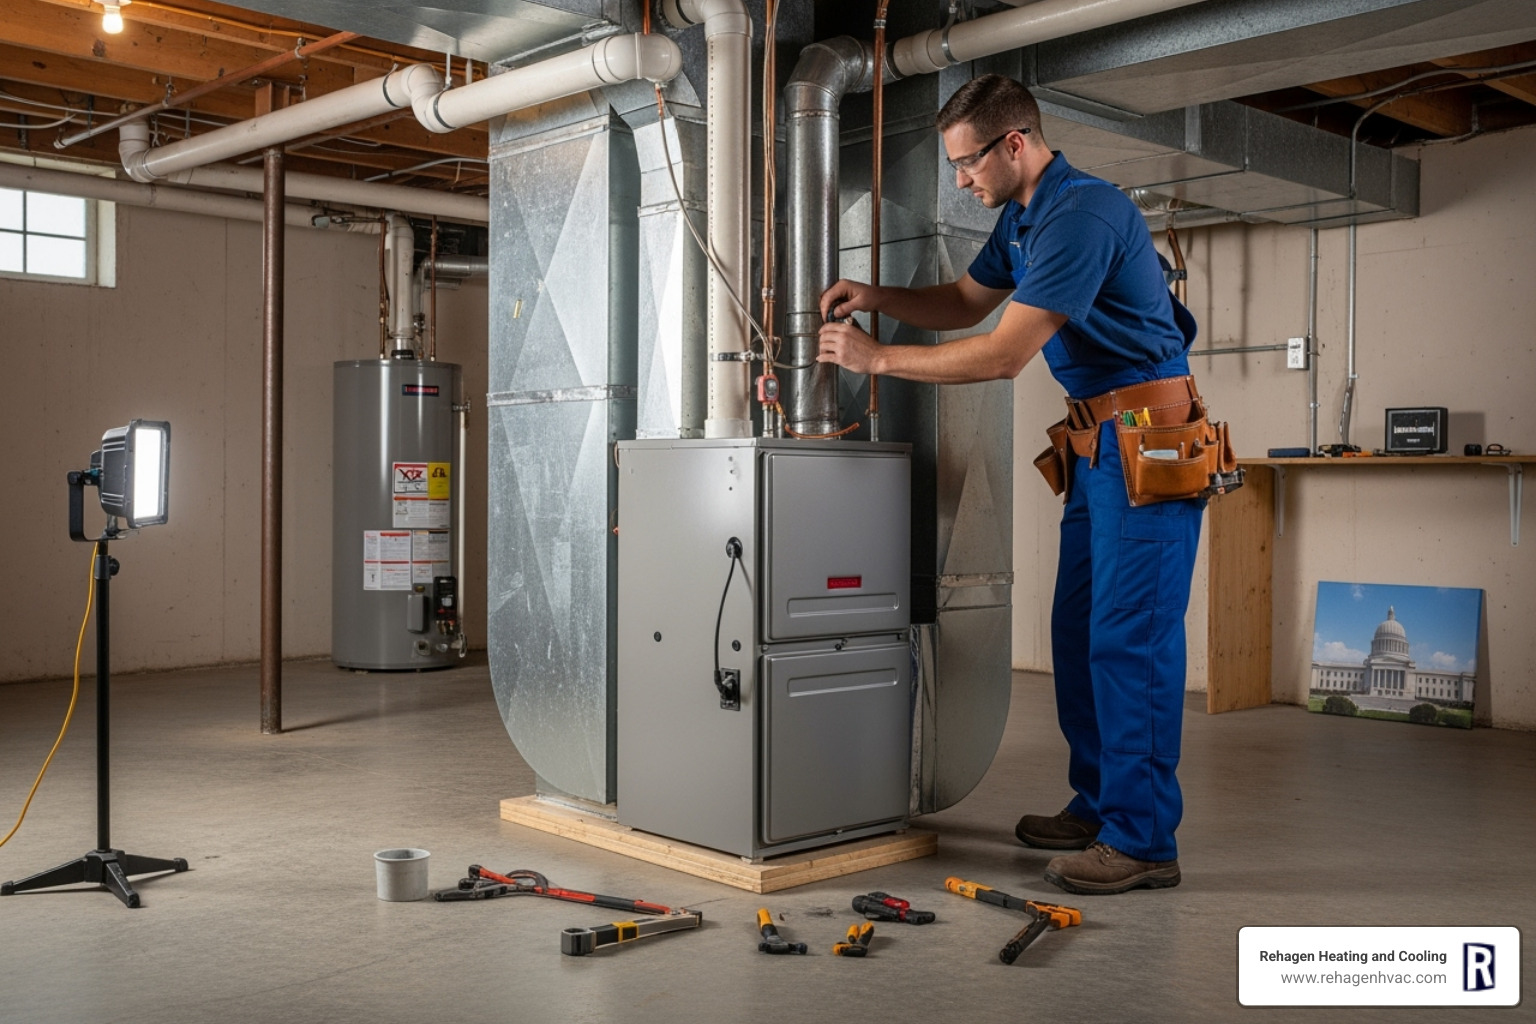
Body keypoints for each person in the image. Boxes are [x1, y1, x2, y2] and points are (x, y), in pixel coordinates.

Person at [817, 74, 1204, 896]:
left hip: (1152, 444)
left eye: (968, 164)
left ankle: (1143, 840)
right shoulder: (1024, 220)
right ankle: (1100, 805)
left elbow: (1001, 354)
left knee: (1130, 641)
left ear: (1015, 144)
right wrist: (877, 299)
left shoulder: (1083, 214)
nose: (961, 180)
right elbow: (966, 300)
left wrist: (876, 358)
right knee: (1076, 632)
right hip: (1099, 448)